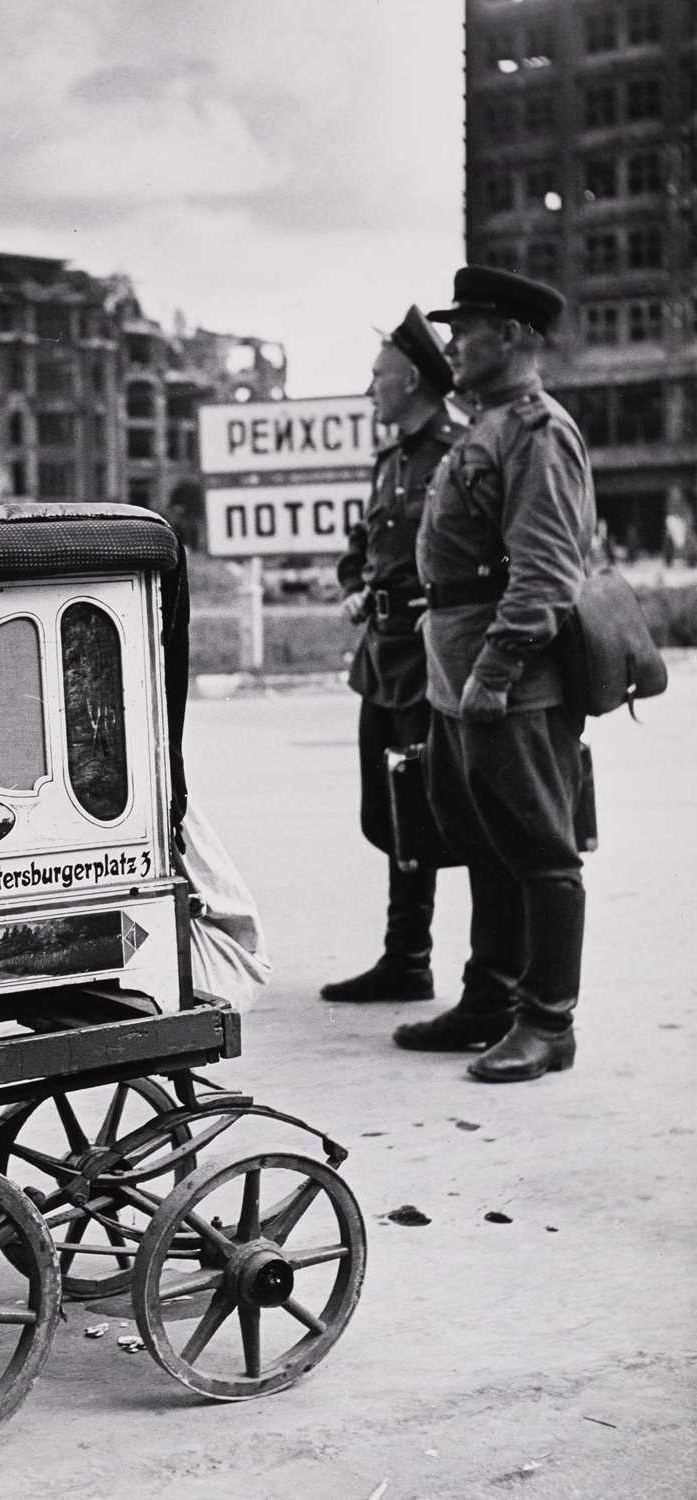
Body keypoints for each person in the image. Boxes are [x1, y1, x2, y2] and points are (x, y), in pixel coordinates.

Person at [393, 266, 595, 1082]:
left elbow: (547, 570)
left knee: (542, 850)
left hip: (509, 681)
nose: (451, 344)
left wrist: (497, 669)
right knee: (482, 843)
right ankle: (491, 999)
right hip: (460, 667)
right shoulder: (489, 424)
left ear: (510, 337)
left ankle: (549, 1023)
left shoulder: (537, 430)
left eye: (464, 328)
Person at [320, 308, 463, 1005]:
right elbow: (361, 549)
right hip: (381, 660)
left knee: (424, 809)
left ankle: (414, 958)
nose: (369, 388)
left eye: (378, 377)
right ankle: (404, 955)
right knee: (385, 813)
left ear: (410, 379)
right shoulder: (392, 461)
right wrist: (354, 589)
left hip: (430, 660)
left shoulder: (455, 451)